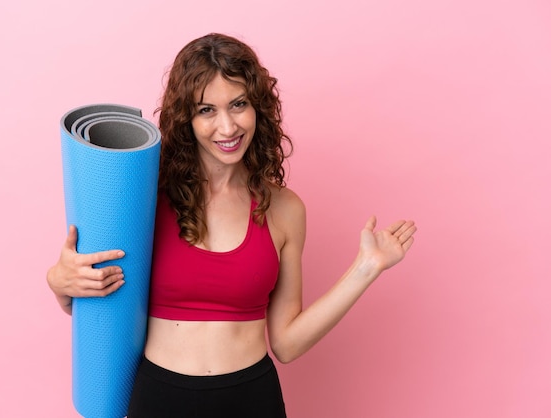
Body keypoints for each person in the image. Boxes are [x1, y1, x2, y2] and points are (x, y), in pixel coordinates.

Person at [47, 33, 417, 418]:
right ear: (186, 119)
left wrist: (365, 269)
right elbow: (92, 297)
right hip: (160, 398)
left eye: (238, 104)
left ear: (258, 107)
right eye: (207, 110)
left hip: (251, 399)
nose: (227, 127)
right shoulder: (145, 199)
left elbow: (287, 344)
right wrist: (59, 280)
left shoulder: (284, 210)